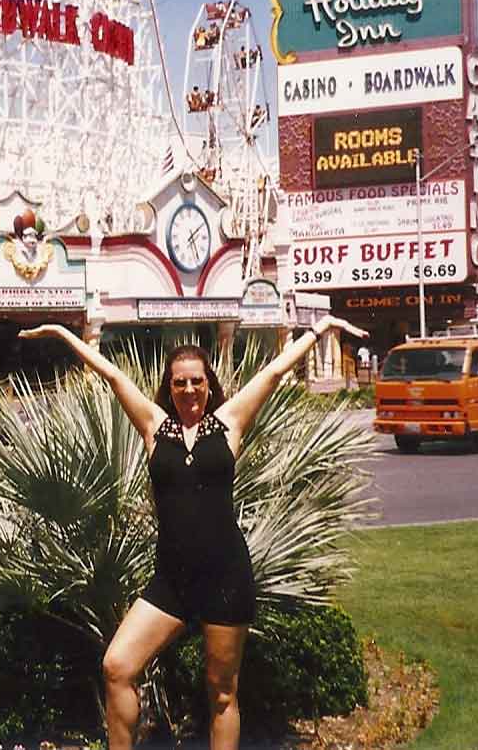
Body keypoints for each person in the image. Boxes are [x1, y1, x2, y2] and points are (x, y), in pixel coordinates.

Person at [20, 314, 367, 750]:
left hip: (227, 579)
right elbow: (109, 372)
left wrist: (324, 326)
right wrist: (61, 332)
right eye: (180, 383)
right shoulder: (153, 426)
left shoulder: (229, 423)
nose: (188, 390)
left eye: (196, 382)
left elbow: (275, 370)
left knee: (222, 693)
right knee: (117, 667)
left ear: (208, 384)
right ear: (169, 387)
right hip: (171, 582)